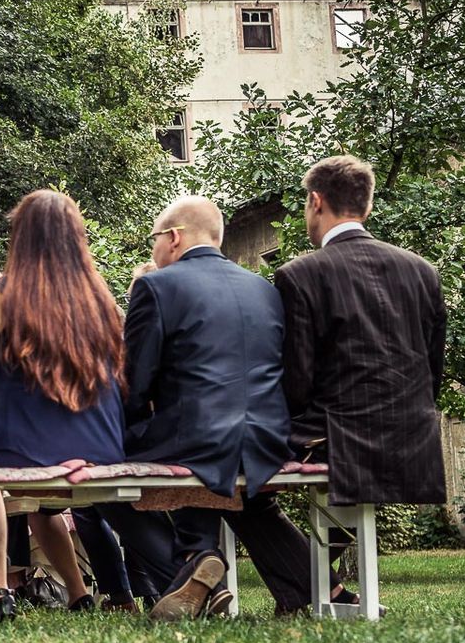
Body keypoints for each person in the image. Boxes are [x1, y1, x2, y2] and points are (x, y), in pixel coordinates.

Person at [124, 195, 335, 621]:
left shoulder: (155, 286)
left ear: (174, 237)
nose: (153, 250)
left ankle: (193, 558)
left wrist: (125, 426)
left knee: (109, 487)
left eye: (154, 239)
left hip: (193, 436)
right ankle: (321, 589)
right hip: (267, 436)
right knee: (244, 495)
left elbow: (136, 383)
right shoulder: (264, 287)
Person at [0, 191, 120, 621]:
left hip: (22, 446)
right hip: (101, 446)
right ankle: (78, 591)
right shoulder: (101, 298)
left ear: (20, 236)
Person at [276, 155, 447, 507]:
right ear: (366, 206)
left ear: (316, 201)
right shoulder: (422, 271)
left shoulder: (300, 274)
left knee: (237, 483)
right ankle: (318, 566)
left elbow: (297, 380)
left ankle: (303, 566)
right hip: (414, 434)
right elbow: (432, 367)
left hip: (335, 436)